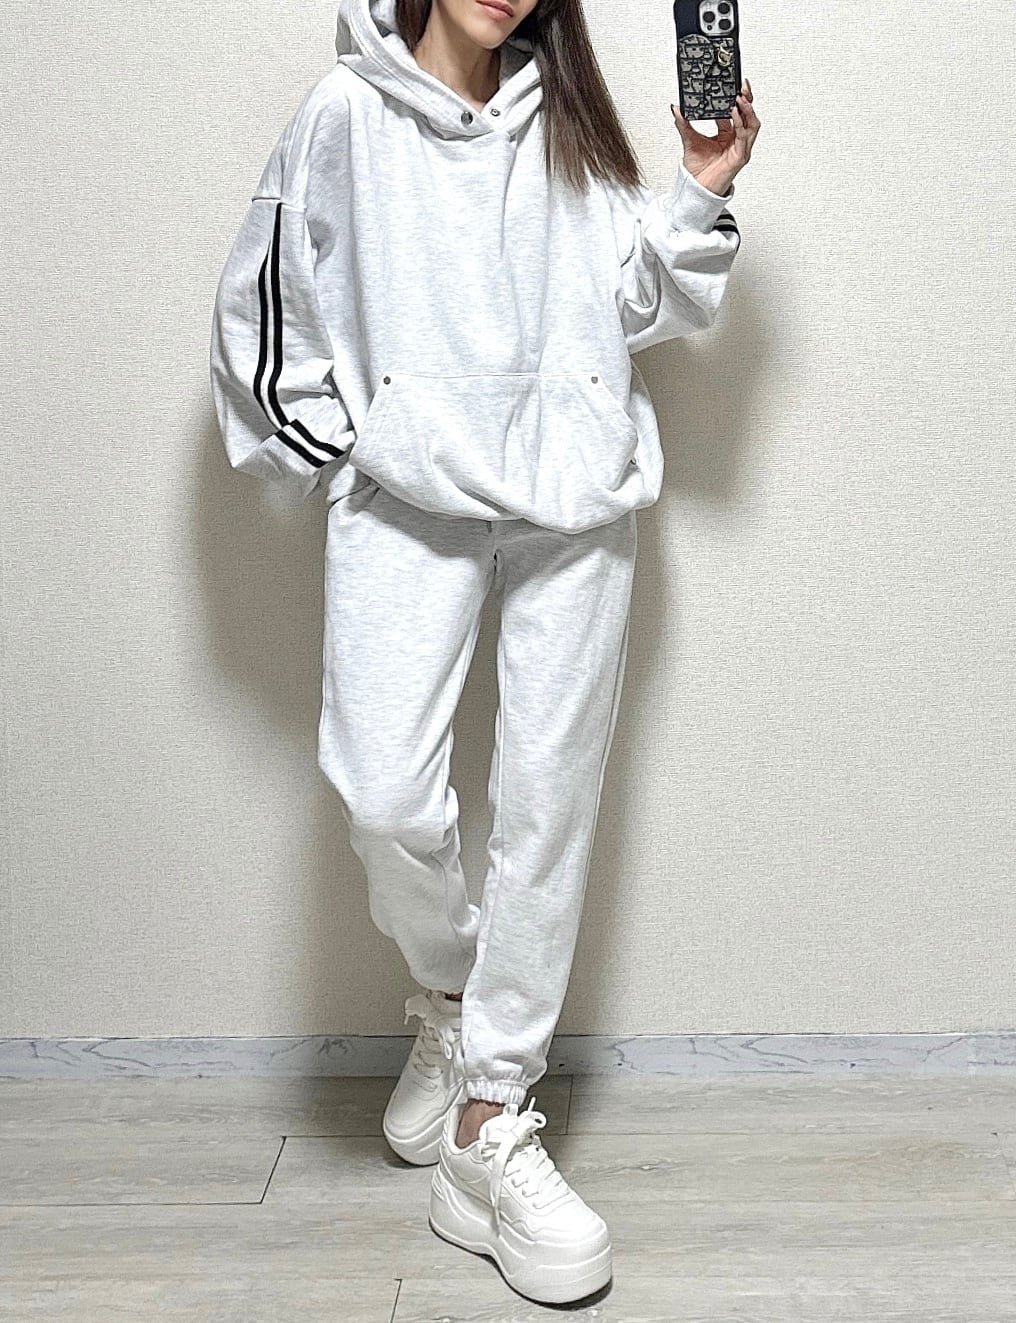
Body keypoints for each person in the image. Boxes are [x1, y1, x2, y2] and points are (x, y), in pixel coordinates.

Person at [209, 0, 759, 1304]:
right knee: (387, 795)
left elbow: (637, 306)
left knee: (546, 808)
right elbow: (262, 321)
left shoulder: (569, 118)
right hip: (411, 495)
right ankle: (457, 1006)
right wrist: (355, 450)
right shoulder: (346, 115)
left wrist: (699, 185)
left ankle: (490, 1118)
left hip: (576, 497)